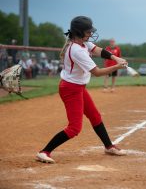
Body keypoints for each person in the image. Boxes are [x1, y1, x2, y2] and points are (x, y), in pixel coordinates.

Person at [36, 16, 128, 164]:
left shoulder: (84, 44)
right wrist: (117, 66)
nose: (90, 34)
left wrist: (115, 58)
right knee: (74, 128)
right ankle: (44, 151)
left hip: (78, 87)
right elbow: (97, 72)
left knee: (95, 116)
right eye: (88, 31)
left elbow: (98, 50)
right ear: (79, 33)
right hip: (70, 89)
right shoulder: (77, 50)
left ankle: (109, 146)